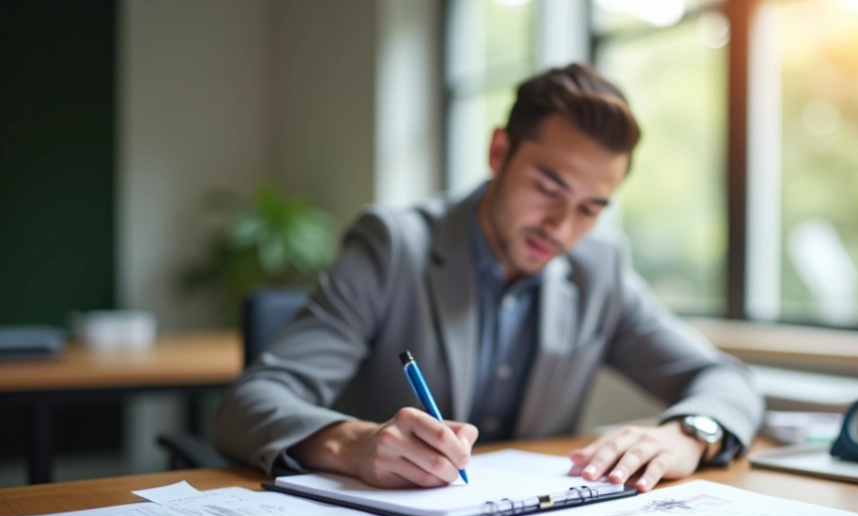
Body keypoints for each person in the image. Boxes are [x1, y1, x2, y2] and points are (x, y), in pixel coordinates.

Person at [213, 63, 763, 492]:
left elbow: (726, 379)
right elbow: (250, 403)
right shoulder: (393, 245)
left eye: (590, 208)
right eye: (549, 189)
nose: (561, 227)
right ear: (499, 151)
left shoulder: (601, 270)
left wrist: (689, 434)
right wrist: (352, 444)